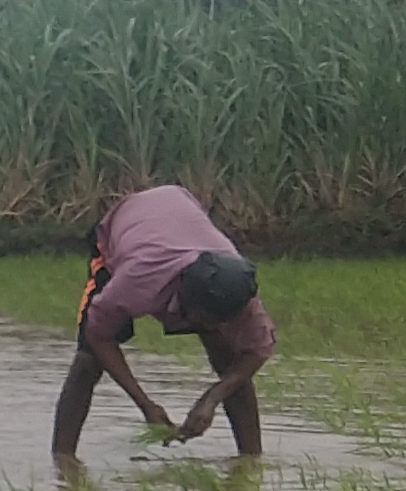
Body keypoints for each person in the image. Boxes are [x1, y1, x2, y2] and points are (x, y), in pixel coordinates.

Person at [53, 182, 275, 459]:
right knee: (88, 360)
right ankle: (63, 461)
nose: (206, 327)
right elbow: (98, 334)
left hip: (178, 214)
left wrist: (211, 398)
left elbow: (257, 350)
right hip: (125, 230)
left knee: (228, 357)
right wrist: (145, 404)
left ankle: (251, 460)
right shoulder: (135, 280)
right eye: (203, 319)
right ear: (183, 296)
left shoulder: (238, 289)